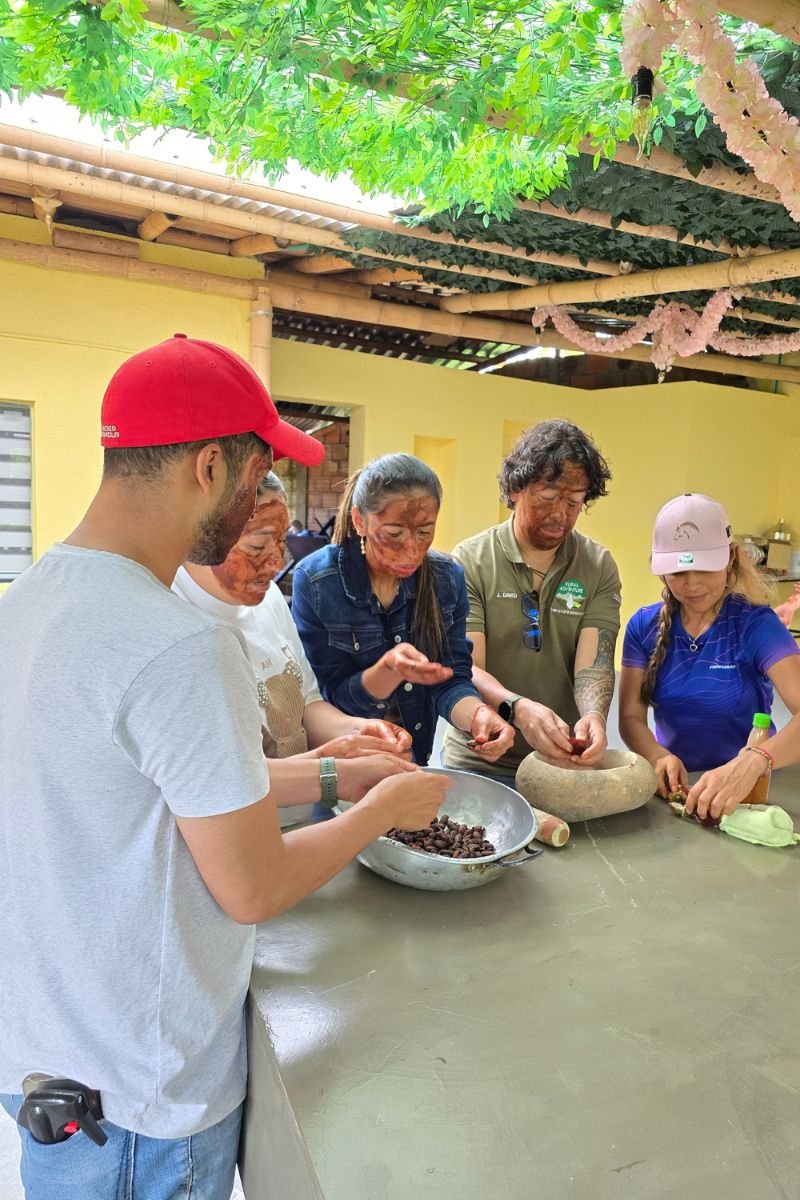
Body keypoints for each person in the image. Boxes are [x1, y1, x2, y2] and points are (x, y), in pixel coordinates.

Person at [0, 335, 446, 1200]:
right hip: (147, 1094)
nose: (257, 504)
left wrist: (332, 774)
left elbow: (149, 794)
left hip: (56, 1057)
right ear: (209, 467)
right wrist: (382, 808)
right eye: (253, 479)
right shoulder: (178, 645)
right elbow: (252, 885)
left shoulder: (33, 600)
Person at [173, 471, 413, 826]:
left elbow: (306, 703)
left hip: (298, 823)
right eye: (257, 545)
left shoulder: (267, 597)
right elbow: (214, 780)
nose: (275, 563)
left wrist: (355, 732)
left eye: (282, 541)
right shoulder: (175, 622)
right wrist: (333, 775)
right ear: (203, 535)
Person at [291, 452, 515, 781]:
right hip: (346, 761)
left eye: (425, 532)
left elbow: (451, 680)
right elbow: (328, 696)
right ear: (359, 521)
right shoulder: (317, 581)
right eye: (394, 534)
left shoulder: (446, 578)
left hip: (414, 756)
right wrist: (389, 670)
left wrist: (479, 715)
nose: (411, 551)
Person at [442, 419, 621, 781]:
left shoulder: (598, 565)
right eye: (549, 497)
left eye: (574, 502)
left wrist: (592, 718)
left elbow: (595, 665)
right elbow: (466, 666)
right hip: (479, 761)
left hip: (557, 763)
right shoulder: (470, 561)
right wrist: (517, 708)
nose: (560, 515)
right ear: (515, 489)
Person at [619, 493, 800, 821]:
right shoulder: (643, 627)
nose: (691, 585)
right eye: (677, 573)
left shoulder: (755, 625)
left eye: (705, 568)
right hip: (679, 791)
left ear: (730, 558)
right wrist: (657, 756)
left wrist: (754, 760)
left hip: (752, 790)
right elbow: (631, 717)